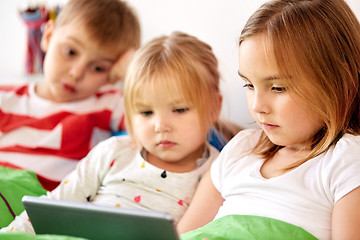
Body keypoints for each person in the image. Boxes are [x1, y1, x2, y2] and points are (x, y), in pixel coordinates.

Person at [1, 31, 223, 235]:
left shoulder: (219, 171)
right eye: (146, 112)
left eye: (180, 110)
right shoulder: (114, 152)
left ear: (214, 107)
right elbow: (54, 205)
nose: (160, 125)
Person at [177, 0, 360, 239]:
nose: (256, 106)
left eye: (278, 88)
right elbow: (178, 235)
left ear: (342, 81)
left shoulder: (346, 161)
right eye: (249, 85)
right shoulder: (240, 150)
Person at [0, 0, 141, 191]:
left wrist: (133, 70)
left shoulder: (110, 103)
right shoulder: (5, 98)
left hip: (42, 200)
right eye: (70, 51)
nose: (76, 73)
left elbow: (157, 116)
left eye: (98, 67)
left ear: (112, 74)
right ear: (48, 36)